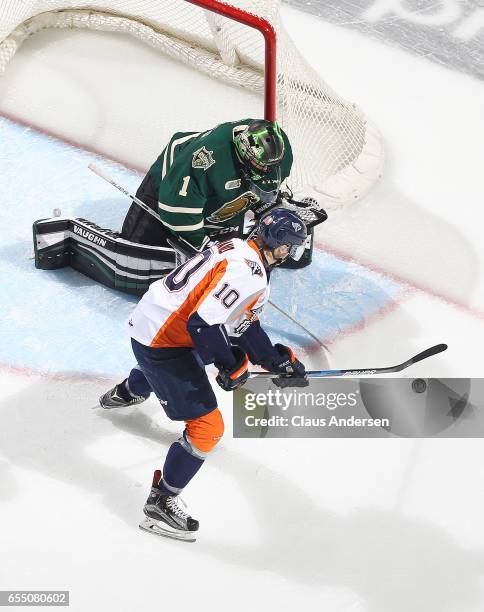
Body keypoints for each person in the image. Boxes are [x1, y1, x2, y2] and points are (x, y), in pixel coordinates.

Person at [99, 207, 309, 542]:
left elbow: (240, 324)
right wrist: (230, 366)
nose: (290, 253)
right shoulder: (249, 273)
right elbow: (203, 325)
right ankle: (161, 501)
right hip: (162, 342)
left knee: (195, 356)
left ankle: (129, 390)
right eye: (290, 246)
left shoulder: (239, 247)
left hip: (156, 322)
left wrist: (274, 360)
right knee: (209, 428)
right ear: (280, 244)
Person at [121, 118, 292, 250]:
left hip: (220, 189)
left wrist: (264, 207)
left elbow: (263, 179)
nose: (265, 170)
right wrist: (204, 246)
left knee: (229, 256)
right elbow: (175, 211)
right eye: (259, 165)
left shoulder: (279, 156)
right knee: (141, 245)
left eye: (269, 167)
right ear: (243, 151)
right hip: (172, 184)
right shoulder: (206, 159)